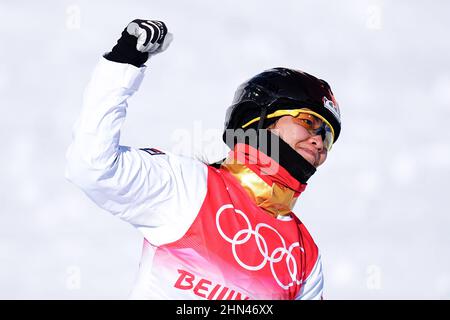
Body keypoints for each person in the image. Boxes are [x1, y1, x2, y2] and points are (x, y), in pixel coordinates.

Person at [66, 19, 341, 300]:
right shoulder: (190, 187)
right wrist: (124, 62)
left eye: (327, 135)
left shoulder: (304, 253)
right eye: (308, 122)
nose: (319, 141)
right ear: (260, 120)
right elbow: (92, 166)